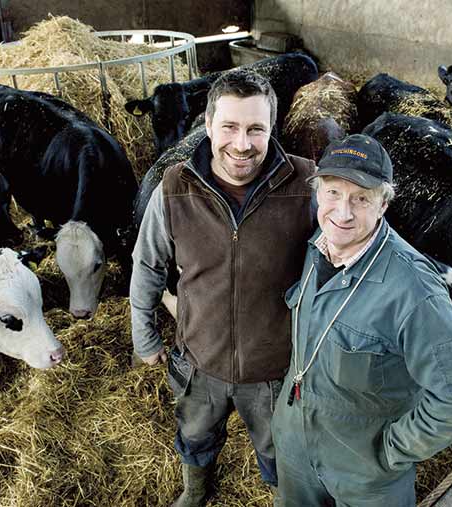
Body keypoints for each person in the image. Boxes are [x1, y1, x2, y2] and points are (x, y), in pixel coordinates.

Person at [271, 134, 452, 506]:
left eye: (361, 198)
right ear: (317, 193)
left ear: (384, 204)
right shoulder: (317, 246)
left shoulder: (413, 289)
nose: (343, 212)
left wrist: (390, 452)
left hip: (366, 476)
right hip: (296, 450)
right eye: (333, 193)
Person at [130, 69, 316, 506]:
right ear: (208, 125)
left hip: (276, 370)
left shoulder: (306, 184)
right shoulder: (175, 187)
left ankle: (283, 497)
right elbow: (147, 264)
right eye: (229, 127)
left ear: (273, 128)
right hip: (199, 361)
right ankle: (195, 494)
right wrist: (144, 335)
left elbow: (348, 253)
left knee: (280, 451)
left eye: (256, 128)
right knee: (194, 435)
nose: (242, 143)